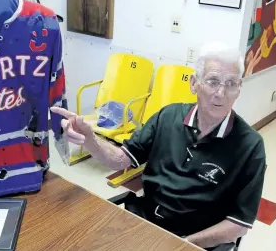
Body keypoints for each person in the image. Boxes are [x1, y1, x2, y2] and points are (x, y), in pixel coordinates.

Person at [51, 43, 266, 250]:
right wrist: (90, 138)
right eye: (212, 81)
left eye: (231, 83)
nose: (221, 93)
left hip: (196, 241)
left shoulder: (250, 147)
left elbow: (238, 224)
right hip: (145, 223)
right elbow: (120, 159)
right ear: (194, 84)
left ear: (239, 89)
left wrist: (182, 244)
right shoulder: (167, 116)